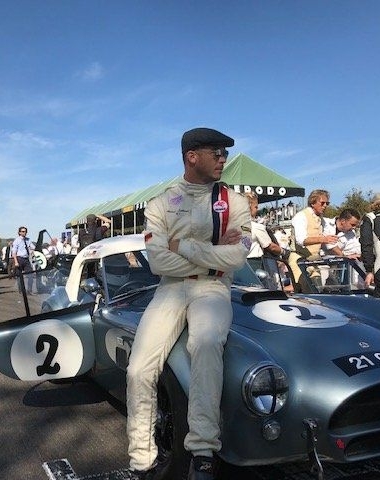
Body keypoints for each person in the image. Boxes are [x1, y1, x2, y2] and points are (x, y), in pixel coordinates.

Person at [126, 127, 252, 480]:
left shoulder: (235, 202)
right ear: (192, 156)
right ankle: (141, 457)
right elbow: (157, 262)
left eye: (224, 153)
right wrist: (215, 255)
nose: (223, 159)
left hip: (213, 289)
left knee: (207, 343)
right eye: (217, 152)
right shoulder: (161, 203)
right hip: (169, 289)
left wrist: (184, 247)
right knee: (139, 368)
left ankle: (203, 450)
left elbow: (240, 255)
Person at [287, 189, 339, 286]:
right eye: (322, 203)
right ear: (312, 203)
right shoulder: (301, 216)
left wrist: (343, 255)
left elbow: (329, 243)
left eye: (327, 203)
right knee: (299, 290)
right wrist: (323, 239)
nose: (325, 206)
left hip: (314, 261)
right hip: (299, 260)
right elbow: (301, 240)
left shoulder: (321, 220)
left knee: (317, 290)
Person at [244, 192, 287, 259]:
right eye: (255, 207)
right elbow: (271, 247)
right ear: (249, 208)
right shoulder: (256, 227)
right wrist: (284, 252)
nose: (257, 210)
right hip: (253, 263)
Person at [11, 226, 35, 294]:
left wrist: (34, 250)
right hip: (19, 258)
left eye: (25, 231)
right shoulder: (17, 240)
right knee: (19, 276)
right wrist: (16, 261)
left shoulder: (28, 240)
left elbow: (33, 247)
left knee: (30, 275)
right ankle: (21, 290)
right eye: (22, 231)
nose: (24, 233)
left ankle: (29, 290)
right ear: (19, 232)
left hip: (26, 259)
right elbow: (14, 252)